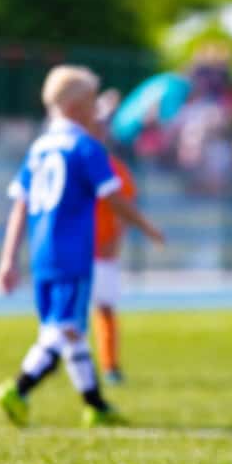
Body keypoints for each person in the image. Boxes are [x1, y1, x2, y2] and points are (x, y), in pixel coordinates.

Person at [0, 66, 164, 428]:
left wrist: (8, 259)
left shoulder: (38, 148)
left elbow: (19, 206)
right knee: (62, 329)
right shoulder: (86, 147)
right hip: (72, 253)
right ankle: (19, 387)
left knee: (69, 332)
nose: (96, 111)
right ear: (74, 106)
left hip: (41, 255)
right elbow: (114, 198)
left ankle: (96, 405)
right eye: (91, 103)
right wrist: (147, 227)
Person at [91, 89, 138, 385]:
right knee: (66, 312)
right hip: (73, 250)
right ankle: (57, 359)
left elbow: (126, 208)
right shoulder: (73, 162)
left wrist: (116, 238)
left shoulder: (115, 167)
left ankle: (109, 365)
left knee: (105, 308)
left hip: (103, 250)